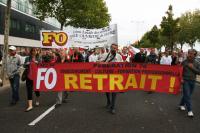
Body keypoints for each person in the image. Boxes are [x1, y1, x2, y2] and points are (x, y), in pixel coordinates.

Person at [100, 43, 123, 114]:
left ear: (117, 49)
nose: (114, 49)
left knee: (114, 91)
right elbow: (99, 63)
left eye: (115, 48)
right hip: (107, 75)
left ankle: (112, 107)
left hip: (115, 76)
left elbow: (122, 65)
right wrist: (105, 64)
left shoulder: (119, 56)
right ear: (110, 48)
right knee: (107, 90)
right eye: (113, 48)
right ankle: (108, 101)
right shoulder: (105, 55)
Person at [179, 49, 200, 117]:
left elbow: (199, 72)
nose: (190, 55)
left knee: (187, 95)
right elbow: (179, 71)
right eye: (189, 53)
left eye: (192, 54)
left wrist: (192, 67)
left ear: (194, 55)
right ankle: (190, 110)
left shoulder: (197, 63)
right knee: (187, 95)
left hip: (193, 81)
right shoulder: (184, 62)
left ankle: (181, 104)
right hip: (185, 81)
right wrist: (181, 79)